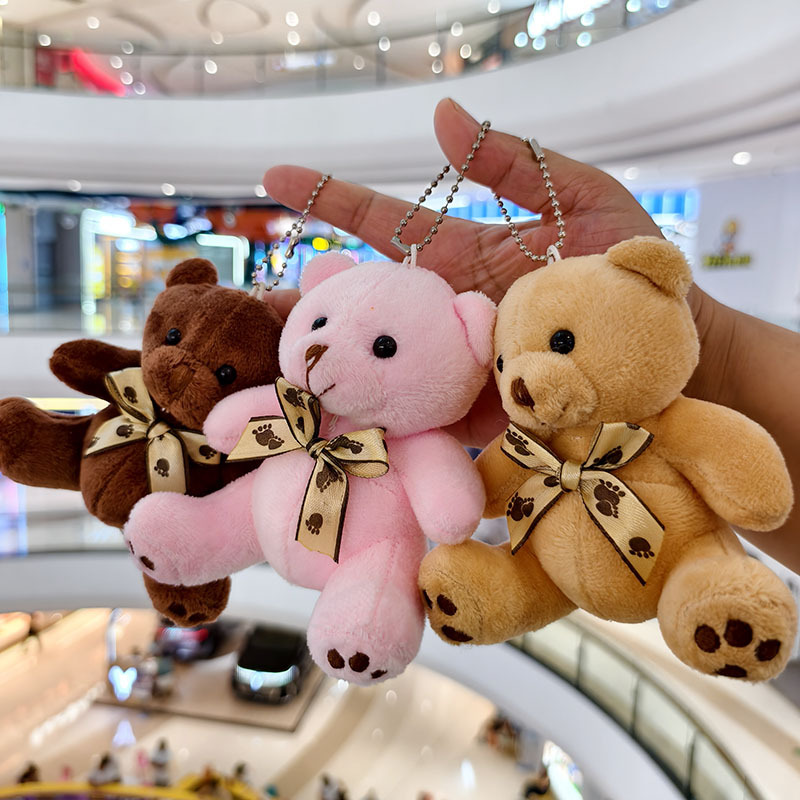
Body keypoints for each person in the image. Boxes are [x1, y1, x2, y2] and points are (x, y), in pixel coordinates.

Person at [262, 98, 800, 573]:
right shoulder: (313, 412)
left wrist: (679, 343)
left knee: (698, 568)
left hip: (668, 555)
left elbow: (751, 482)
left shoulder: (668, 419)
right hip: (549, 557)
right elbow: (480, 495)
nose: (519, 380)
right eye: (504, 362)